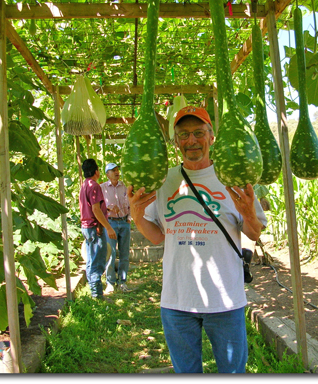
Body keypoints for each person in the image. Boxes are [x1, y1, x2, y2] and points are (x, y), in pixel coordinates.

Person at [127, 106, 267, 373]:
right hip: (177, 301)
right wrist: (137, 218)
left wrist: (250, 214)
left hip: (225, 301)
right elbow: (158, 236)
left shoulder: (233, 177)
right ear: (176, 141)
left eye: (198, 133)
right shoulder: (164, 180)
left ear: (211, 137)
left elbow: (254, 233)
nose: (191, 141)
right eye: (184, 134)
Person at [79, 158, 116, 299]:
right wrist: (108, 227)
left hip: (87, 227)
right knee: (98, 262)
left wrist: (104, 209)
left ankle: (93, 290)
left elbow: (90, 207)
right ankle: (97, 295)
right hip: (95, 228)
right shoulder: (95, 186)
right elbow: (95, 209)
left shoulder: (85, 185)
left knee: (91, 261)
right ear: (96, 171)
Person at [101, 162, 132, 293]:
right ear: (107, 174)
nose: (117, 172)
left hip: (124, 221)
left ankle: (122, 282)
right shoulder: (102, 188)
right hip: (111, 222)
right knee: (111, 254)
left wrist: (129, 218)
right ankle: (110, 283)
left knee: (124, 253)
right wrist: (108, 207)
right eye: (113, 170)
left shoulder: (124, 186)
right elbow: (98, 206)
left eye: (117, 169)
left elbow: (130, 202)